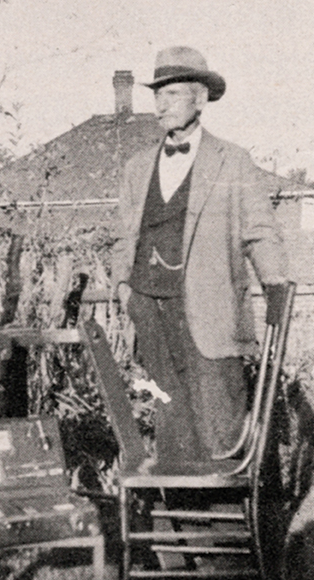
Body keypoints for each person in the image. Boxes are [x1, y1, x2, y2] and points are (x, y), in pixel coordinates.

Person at [112, 46, 288, 469]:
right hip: (150, 313)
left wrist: (279, 292)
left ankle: (225, 532)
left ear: (201, 99)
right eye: (157, 95)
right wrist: (124, 291)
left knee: (219, 425)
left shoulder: (233, 162)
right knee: (170, 420)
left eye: (171, 94)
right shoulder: (138, 167)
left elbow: (260, 233)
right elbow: (123, 237)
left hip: (210, 316)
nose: (160, 105)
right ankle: (177, 526)